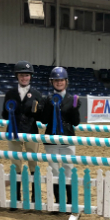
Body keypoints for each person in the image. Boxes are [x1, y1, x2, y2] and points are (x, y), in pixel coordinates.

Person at [1, 61, 43, 209]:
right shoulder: (10, 93)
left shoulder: (37, 94)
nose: (24, 78)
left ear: (30, 77)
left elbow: (41, 118)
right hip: (13, 132)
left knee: (33, 164)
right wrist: (10, 111)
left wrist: (38, 111)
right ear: (17, 76)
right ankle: (15, 198)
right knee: (15, 165)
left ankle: (35, 197)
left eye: (26, 75)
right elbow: (4, 115)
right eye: (21, 75)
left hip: (31, 133)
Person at [40, 67, 81, 206]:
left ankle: (70, 202)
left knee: (68, 169)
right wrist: (47, 105)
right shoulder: (47, 99)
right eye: (56, 80)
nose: (59, 82)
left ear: (66, 81)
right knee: (54, 170)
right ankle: (58, 201)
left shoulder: (72, 99)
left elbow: (76, 122)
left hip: (67, 138)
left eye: (61, 80)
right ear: (52, 82)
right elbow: (44, 120)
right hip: (51, 139)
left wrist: (75, 108)